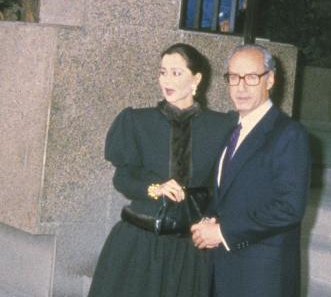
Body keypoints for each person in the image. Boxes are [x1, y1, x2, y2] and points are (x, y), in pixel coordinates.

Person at [88, 43, 236, 297]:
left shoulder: (222, 127)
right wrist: (155, 188)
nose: (166, 80)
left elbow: (222, 186)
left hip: (190, 250)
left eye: (176, 73)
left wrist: (215, 218)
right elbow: (122, 178)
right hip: (140, 243)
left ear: (196, 79)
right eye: (162, 72)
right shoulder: (136, 121)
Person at [190, 44, 311, 297]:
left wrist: (223, 232)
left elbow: (289, 208)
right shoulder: (232, 129)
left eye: (251, 77)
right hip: (226, 268)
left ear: (270, 80)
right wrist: (209, 219)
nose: (241, 87)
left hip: (261, 276)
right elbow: (227, 193)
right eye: (234, 77)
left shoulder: (289, 134)